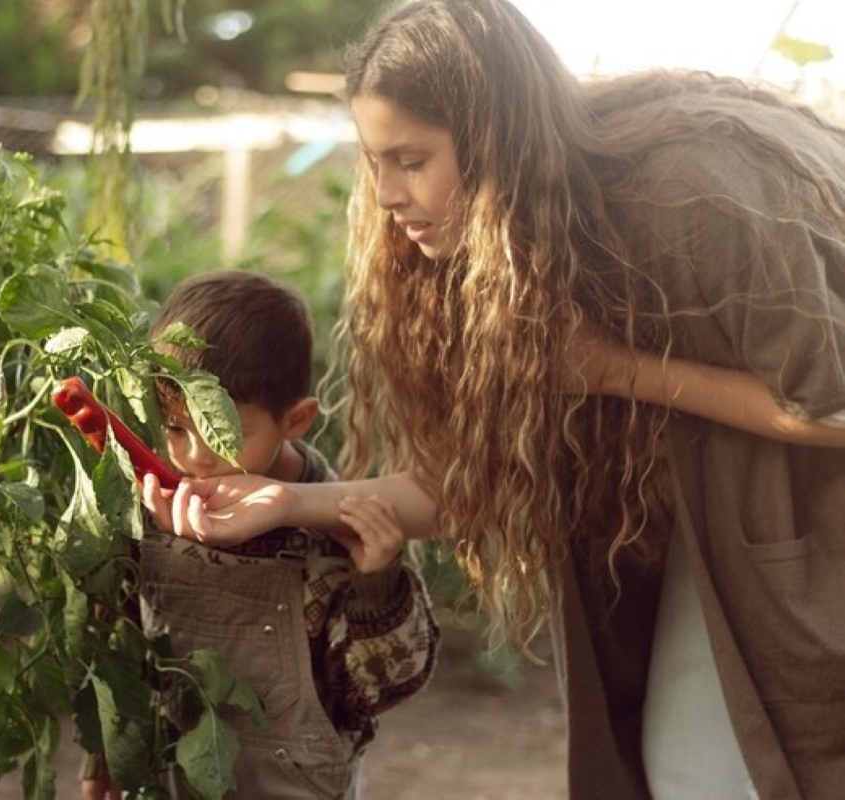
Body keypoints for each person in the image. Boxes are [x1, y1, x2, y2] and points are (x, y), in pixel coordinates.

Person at [142, 2, 845, 798]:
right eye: (375, 161)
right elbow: (454, 486)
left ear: (495, 144)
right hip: (703, 537)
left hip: (808, 536)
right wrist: (280, 504)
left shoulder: (691, 197)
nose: (384, 196)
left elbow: (826, 407)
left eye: (410, 159)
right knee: (679, 769)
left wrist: (611, 369)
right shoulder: (475, 252)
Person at [81, 270, 440, 800]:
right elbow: (122, 642)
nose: (196, 457)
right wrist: (106, 755)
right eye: (176, 427)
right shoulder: (152, 505)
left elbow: (375, 691)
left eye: (226, 432)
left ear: (295, 421)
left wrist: (377, 582)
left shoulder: (333, 531)